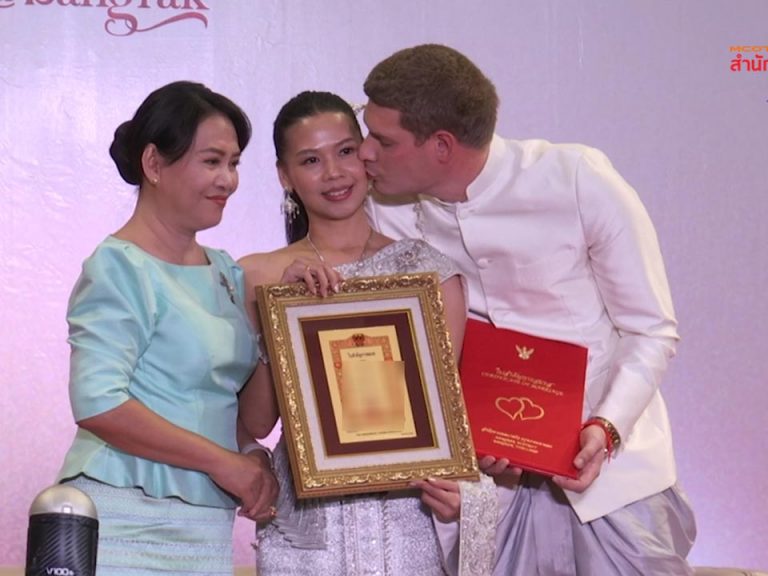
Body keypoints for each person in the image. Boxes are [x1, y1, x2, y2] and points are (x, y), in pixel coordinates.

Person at [360, 44, 697, 576]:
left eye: (383, 140)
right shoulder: (386, 211)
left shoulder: (576, 177)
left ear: (442, 145)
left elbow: (650, 329)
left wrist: (607, 428)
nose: (364, 153)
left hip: (613, 479)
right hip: (489, 492)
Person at [237, 90, 469, 576]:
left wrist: (461, 495)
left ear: (366, 154)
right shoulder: (257, 276)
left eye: (345, 151)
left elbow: (444, 419)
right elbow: (256, 422)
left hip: (405, 525)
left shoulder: (429, 274)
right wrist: (281, 316)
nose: (334, 173)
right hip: (305, 533)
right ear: (285, 175)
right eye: (310, 160)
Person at [56, 80, 279, 576]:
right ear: (154, 164)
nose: (228, 180)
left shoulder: (226, 272)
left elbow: (240, 413)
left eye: (234, 163)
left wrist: (248, 453)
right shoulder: (118, 265)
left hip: (206, 528)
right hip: (125, 519)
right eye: (212, 161)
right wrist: (222, 462)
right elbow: (98, 403)